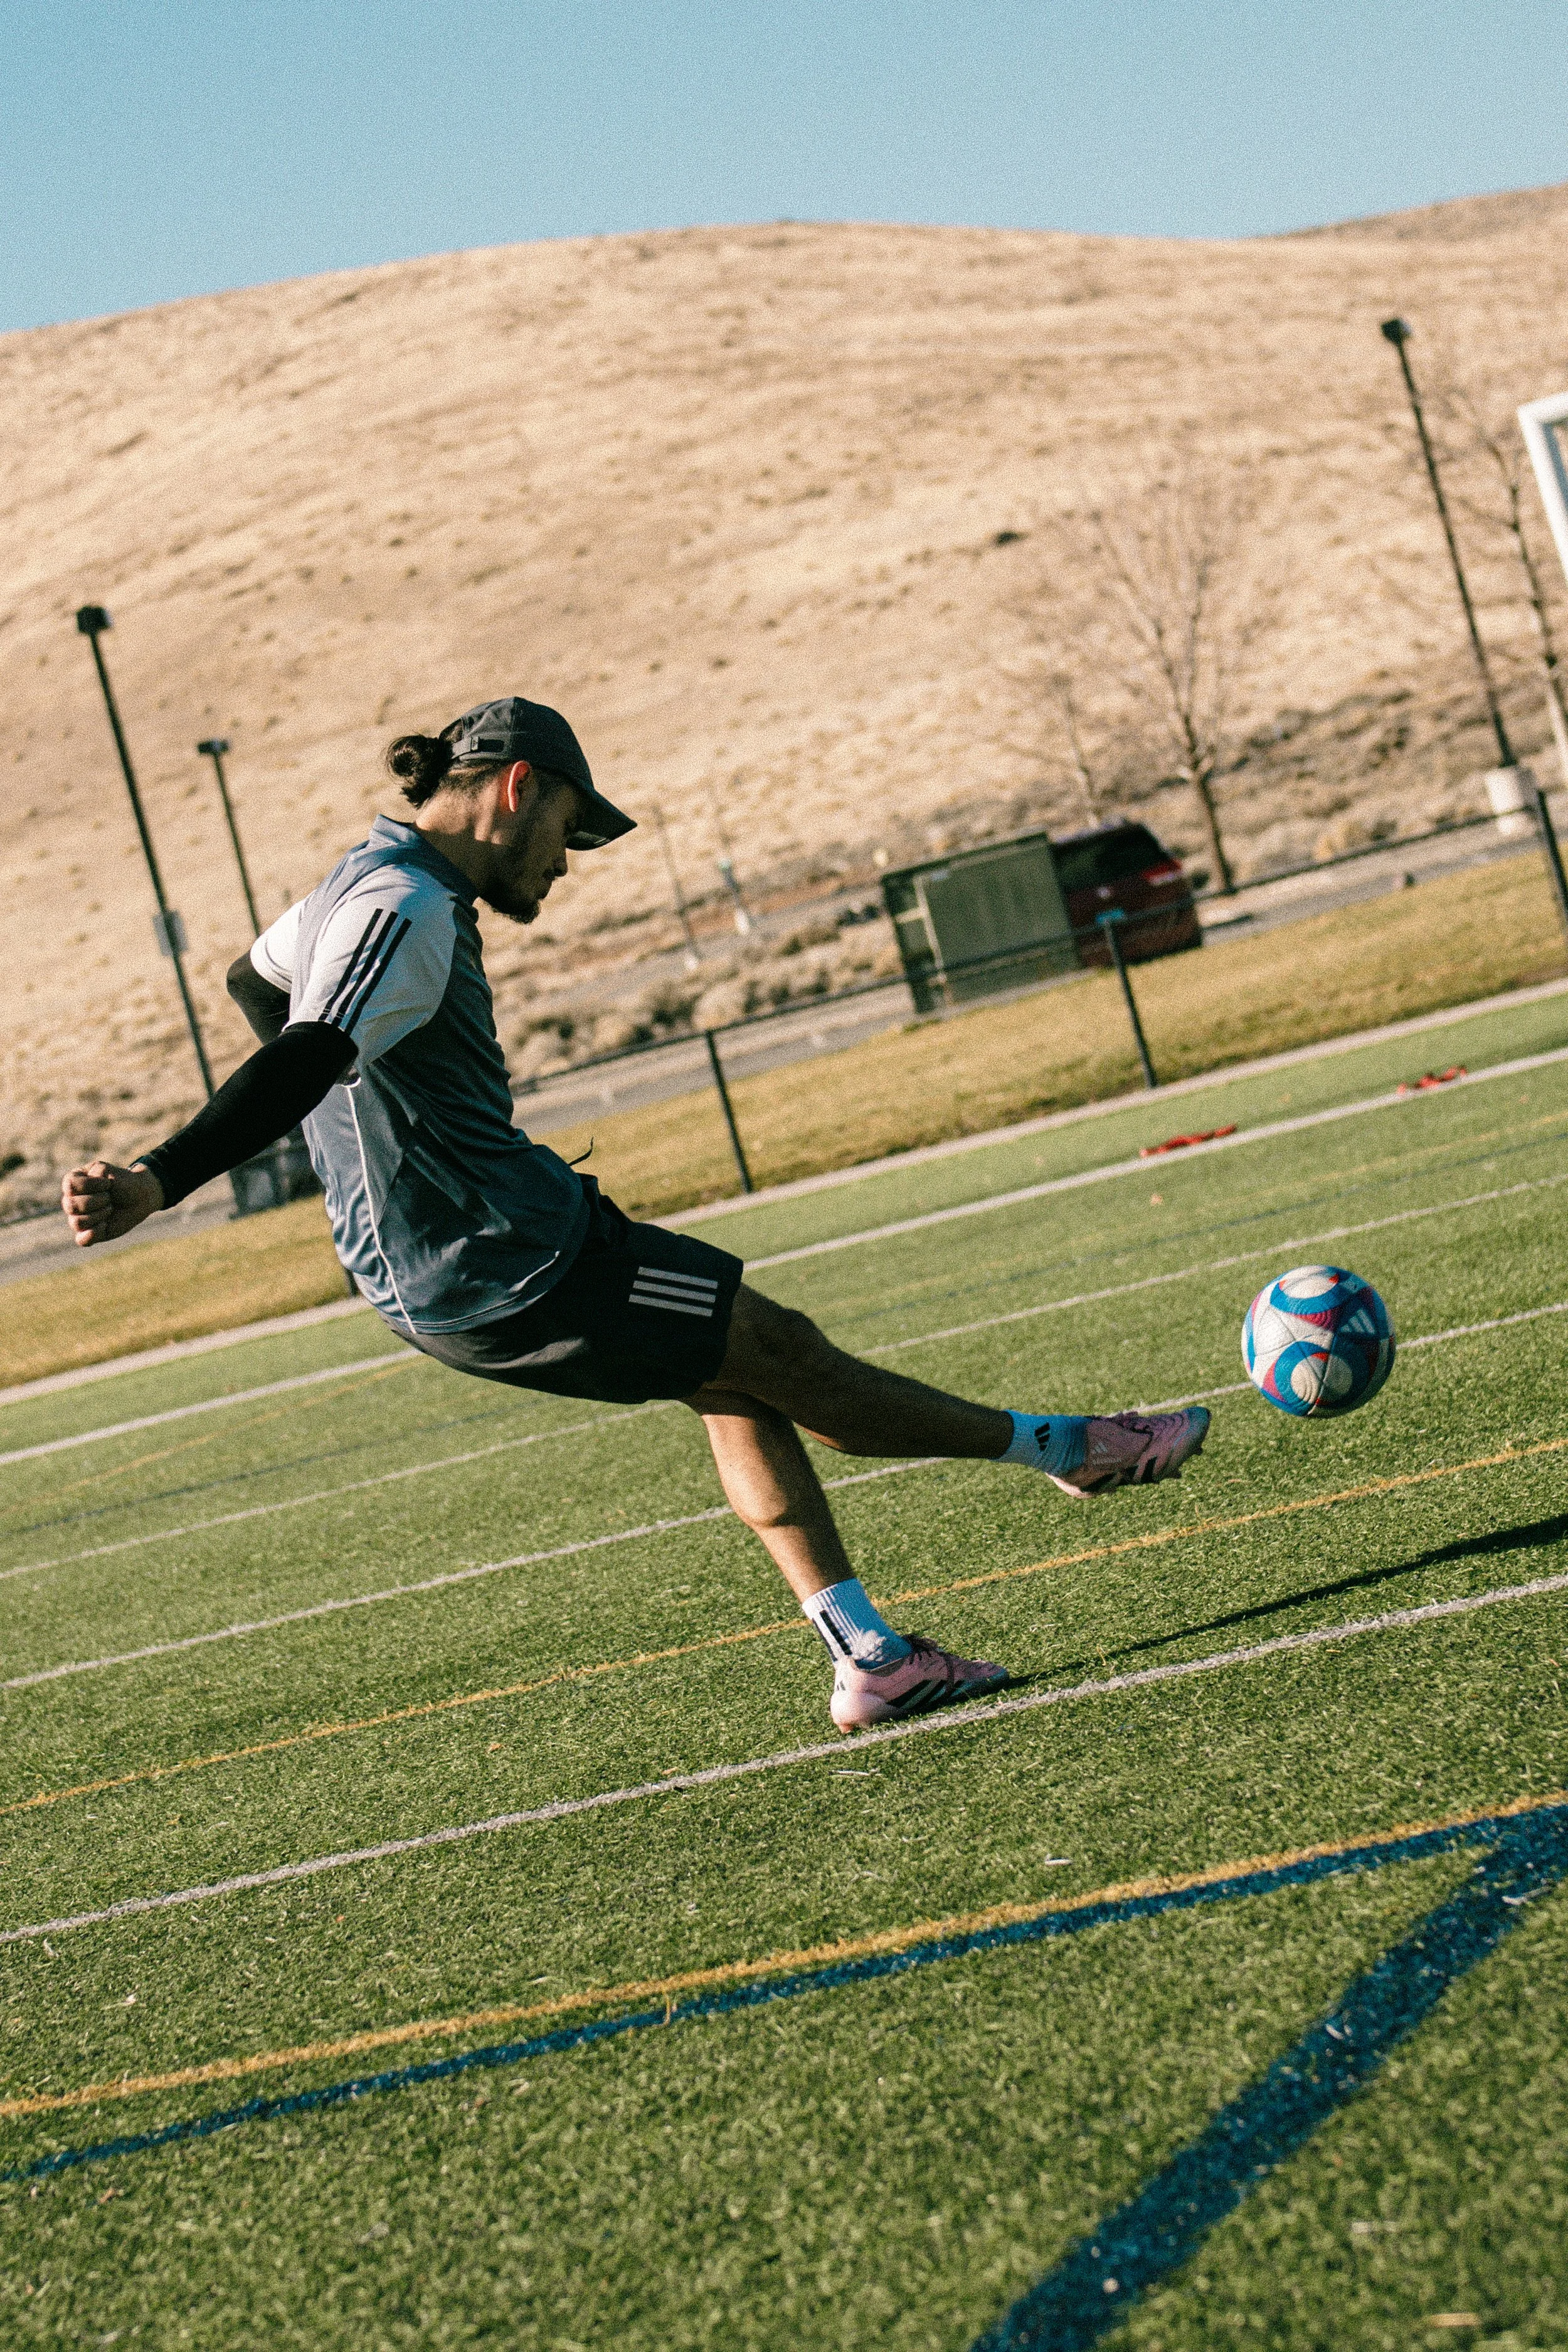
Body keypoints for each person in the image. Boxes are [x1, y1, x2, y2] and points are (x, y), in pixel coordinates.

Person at [61, 696, 1210, 1732]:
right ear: (518, 788)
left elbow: (253, 983)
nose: (565, 863)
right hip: (509, 1257)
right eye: (568, 827)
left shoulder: (346, 890)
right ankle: (1075, 1448)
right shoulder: (405, 908)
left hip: (451, 1262)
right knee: (793, 1360)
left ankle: (872, 1657)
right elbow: (308, 1048)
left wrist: (378, 1133)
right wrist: (163, 1179)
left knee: (729, 1368)